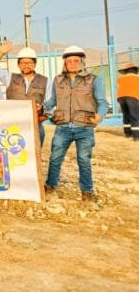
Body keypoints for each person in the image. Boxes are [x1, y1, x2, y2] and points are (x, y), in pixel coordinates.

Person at [44, 45, 109, 201]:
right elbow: (53, 100)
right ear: (65, 63)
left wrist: (99, 116)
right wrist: (43, 106)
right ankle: (50, 186)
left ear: (82, 62)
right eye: (69, 61)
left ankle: (87, 192)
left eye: (76, 61)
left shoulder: (94, 80)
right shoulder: (58, 80)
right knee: (55, 158)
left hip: (85, 128)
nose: (72, 64)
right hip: (63, 127)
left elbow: (103, 102)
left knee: (83, 160)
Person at [0, 41, 49, 145]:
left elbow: (49, 102)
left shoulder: (45, 80)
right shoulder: (10, 78)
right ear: (18, 65)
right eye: (23, 63)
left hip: (35, 123)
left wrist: (43, 115)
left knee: (35, 153)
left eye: (30, 63)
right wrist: (1, 52)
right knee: (15, 152)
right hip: (14, 123)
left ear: (35, 64)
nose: (26, 65)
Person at [117, 62, 139, 141]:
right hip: (132, 97)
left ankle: (127, 134)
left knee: (126, 116)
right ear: (135, 70)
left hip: (121, 98)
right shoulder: (137, 78)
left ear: (126, 71)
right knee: (135, 116)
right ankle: (136, 136)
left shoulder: (120, 79)